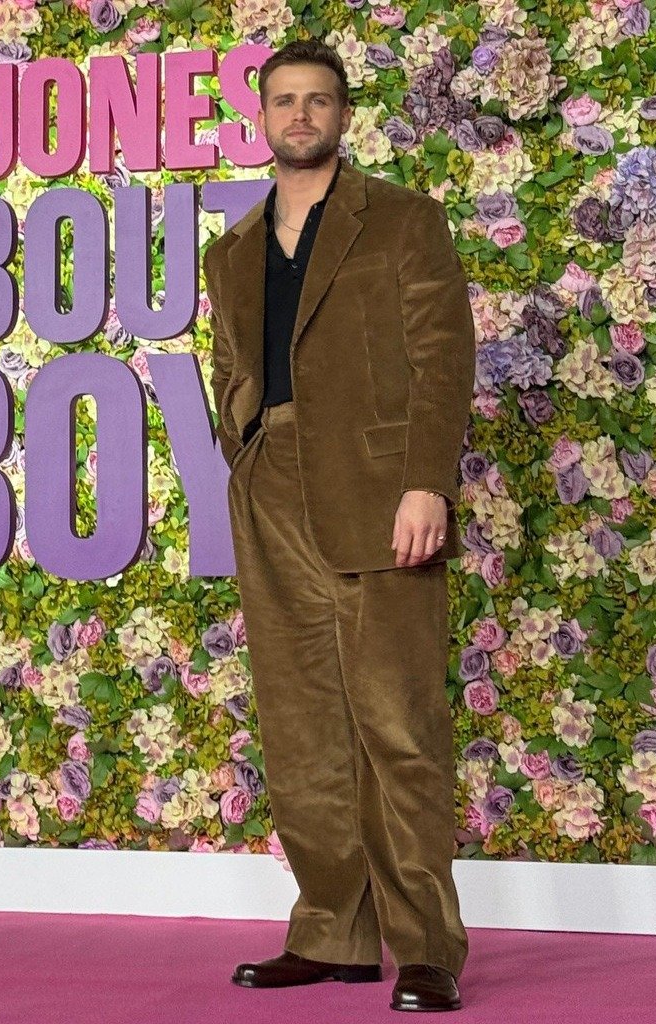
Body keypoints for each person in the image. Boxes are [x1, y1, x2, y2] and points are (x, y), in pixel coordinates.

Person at [202, 38, 477, 1013]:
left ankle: (427, 947)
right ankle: (332, 933)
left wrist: (425, 483)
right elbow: (231, 362)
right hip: (271, 488)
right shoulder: (232, 249)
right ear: (262, 117)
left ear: (344, 115)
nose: (301, 115)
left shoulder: (402, 219)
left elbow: (443, 355)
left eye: (318, 100)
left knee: (397, 722)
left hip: (378, 490)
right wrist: (244, 444)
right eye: (285, 100)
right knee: (302, 725)